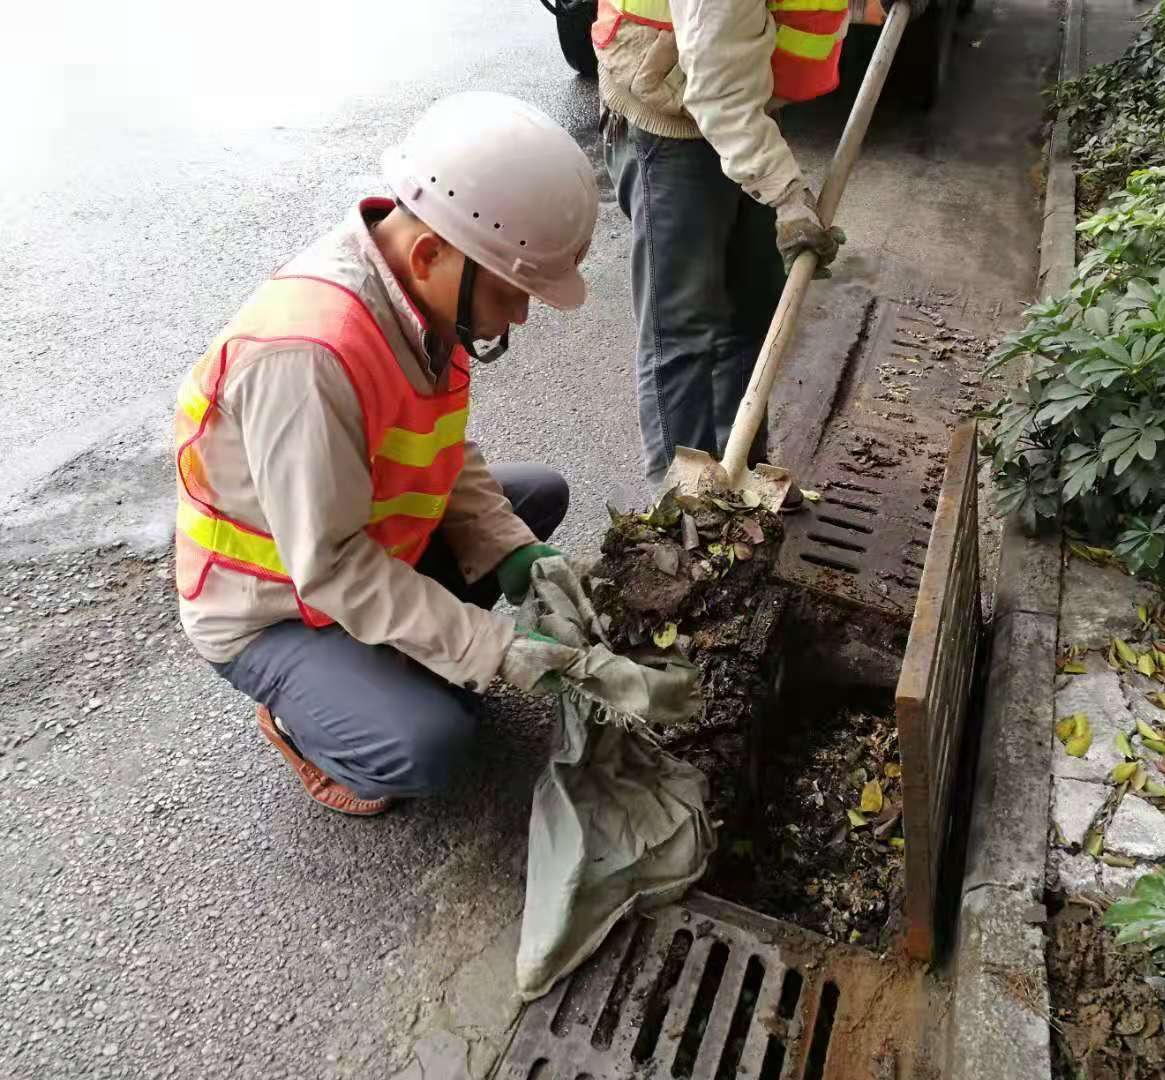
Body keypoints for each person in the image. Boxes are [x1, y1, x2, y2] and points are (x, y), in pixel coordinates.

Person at [173, 92, 607, 816]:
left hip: (353, 541)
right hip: (274, 603)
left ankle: (391, 656)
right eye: (510, 293)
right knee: (427, 743)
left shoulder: (422, 293)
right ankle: (301, 722)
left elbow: (438, 447)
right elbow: (331, 565)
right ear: (432, 252)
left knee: (534, 501)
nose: (522, 316)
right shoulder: (308, 358)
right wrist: (492, 648)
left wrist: (514, 548)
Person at [594, 0, 924, 493]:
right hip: (672, 122)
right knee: (682, 332)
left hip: (737, 104)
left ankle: (738, 481)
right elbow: (717, 94)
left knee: (751, 315)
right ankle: (684, 516)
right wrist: (787, 197)